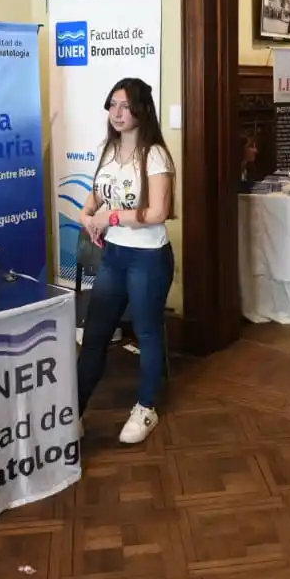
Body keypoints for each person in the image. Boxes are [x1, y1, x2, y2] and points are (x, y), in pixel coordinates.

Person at [76, 78, 176, 444]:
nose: (117, 113)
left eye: (125, 106)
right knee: (95, 335)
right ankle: (74, 410)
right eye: (112, 105)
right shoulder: (109, 148)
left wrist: (111, 218)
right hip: (115, 254)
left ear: (141, 110)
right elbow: (99, 193)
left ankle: (146, 407)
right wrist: (89, 215)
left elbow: (158, 211)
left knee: (147, 332)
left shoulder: (155, 155)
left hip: (148, 257)